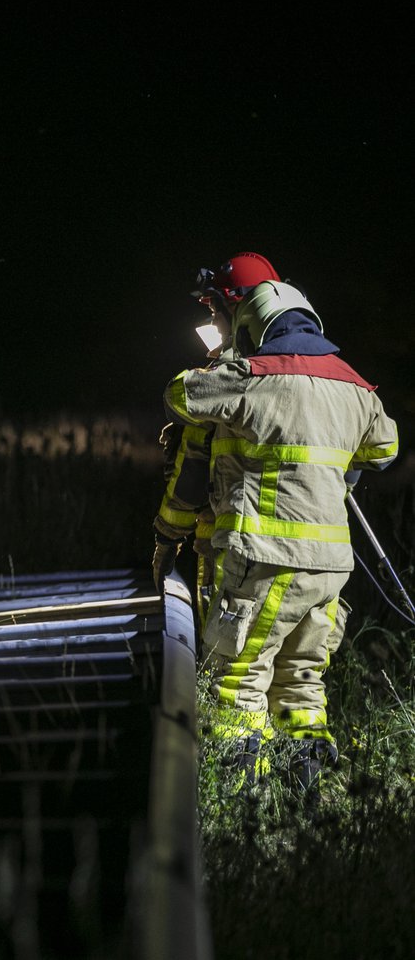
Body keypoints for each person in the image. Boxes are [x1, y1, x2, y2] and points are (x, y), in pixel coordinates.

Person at [152, 252, 399, 795]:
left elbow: (179, 394)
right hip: (330, 572)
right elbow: (385, 447)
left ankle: (242, 806)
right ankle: (304, 799)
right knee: (302, 686)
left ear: (246, 319)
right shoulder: (354, 386)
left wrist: (225, 364)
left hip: (264, 562)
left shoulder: (250, 380)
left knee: (237, 683)